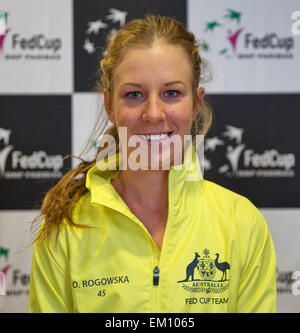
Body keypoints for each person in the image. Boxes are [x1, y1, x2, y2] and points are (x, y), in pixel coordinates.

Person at [28, 15, 276, 313]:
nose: (154, 113)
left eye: (172, 93)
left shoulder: (242, 223)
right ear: (110, 106)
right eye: (134, 94)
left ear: (196, 104)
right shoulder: (66, 228)